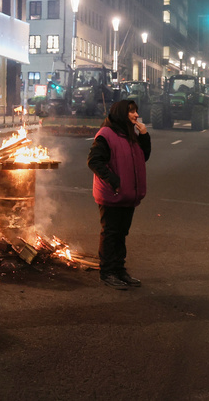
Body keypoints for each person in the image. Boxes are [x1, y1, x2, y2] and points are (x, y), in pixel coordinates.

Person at [87, 99, 150, 290]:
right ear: (122, 113)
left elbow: (143, 156)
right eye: (132, 111)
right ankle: (107, 272)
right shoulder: (106, 135)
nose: (136, 115)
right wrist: (114, 181)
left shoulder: (129, 134)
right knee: (111, 233)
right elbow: (94, 161)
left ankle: (120, 269)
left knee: (121, 233)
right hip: (112, 193)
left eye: (136, 111)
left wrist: (145, 135)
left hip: (127, 194)